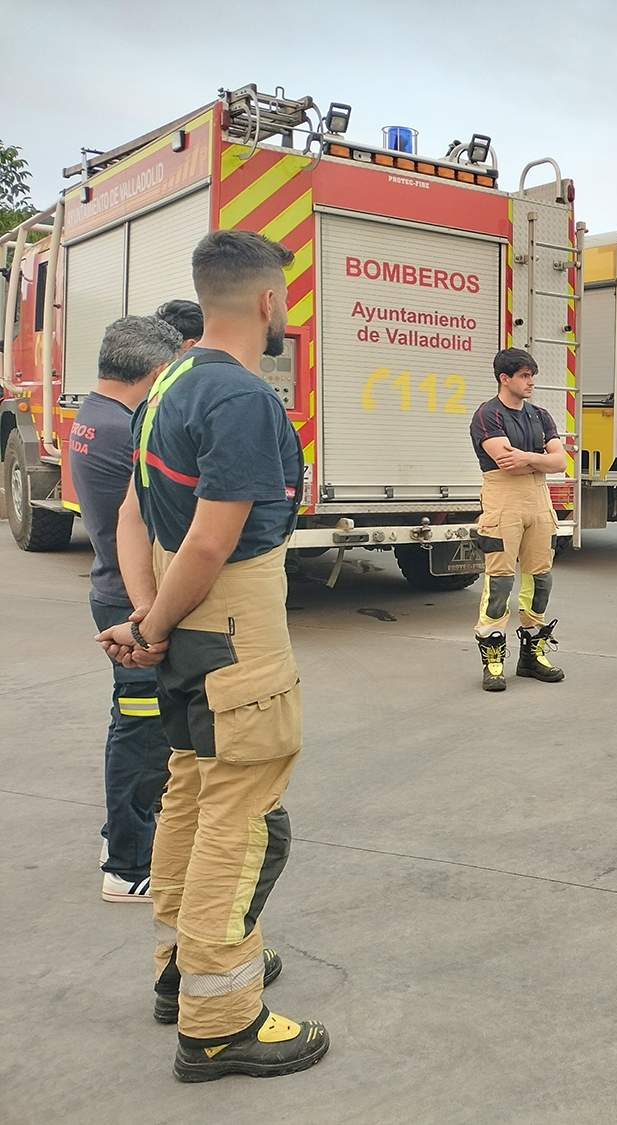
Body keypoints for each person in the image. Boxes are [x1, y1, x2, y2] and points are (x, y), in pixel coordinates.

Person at [99, 230, 328, 1079]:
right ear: (267, 301)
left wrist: (142, 612)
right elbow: (211, 540)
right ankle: (220, 1019)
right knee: (248, 819)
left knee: (191, 795)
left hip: (178, 623)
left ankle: (178, 970)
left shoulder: (166, 386)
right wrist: (155, 619)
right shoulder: (241, 398)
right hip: (231, 628)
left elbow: (129, 513)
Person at [72, 316, 180, 902]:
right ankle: (127, 864)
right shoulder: (126, 429)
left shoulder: (95, 415)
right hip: (128, 597)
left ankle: (122, 836)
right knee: (141, 730)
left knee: (135, 722)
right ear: (157, 369)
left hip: (111, 587)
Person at [470, 347, 569, 691]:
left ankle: (532, 654)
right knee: (499, 581)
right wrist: (542, 457)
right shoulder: (488, 415)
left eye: (532, 376)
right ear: (505, 378)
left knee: (540, 578)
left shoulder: (540, 415)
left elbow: (562, 463)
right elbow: (504, 462)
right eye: (524, 376)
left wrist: (528, 457)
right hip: (503, 502)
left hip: (539, 502)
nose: (531, 382)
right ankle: (493, 658)